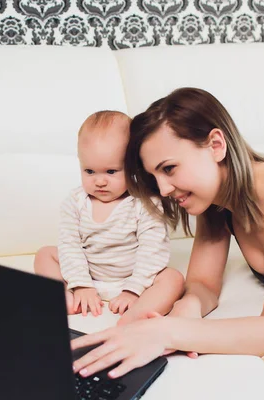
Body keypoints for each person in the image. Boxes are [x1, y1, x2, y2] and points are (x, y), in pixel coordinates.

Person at [70, 87, 264, 380]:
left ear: (216, 145)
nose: (163, 189)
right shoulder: (217, 203)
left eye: (169, 168)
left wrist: (167, 333)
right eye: (155, 176)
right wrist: (183, 314)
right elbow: (204, 285)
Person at [34, 110, 186, 325]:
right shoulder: (75, 202)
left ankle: (138, 313)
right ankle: (65, 299)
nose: (100, 182)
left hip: (133, 280)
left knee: (173, 278)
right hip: (88, 277)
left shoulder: (145, 202)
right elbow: (70, 245)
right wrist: (81, 285)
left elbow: (152, 250)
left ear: (133, 167)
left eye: (111, 172)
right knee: (45, 254)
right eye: (89, 171)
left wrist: (133, 290)